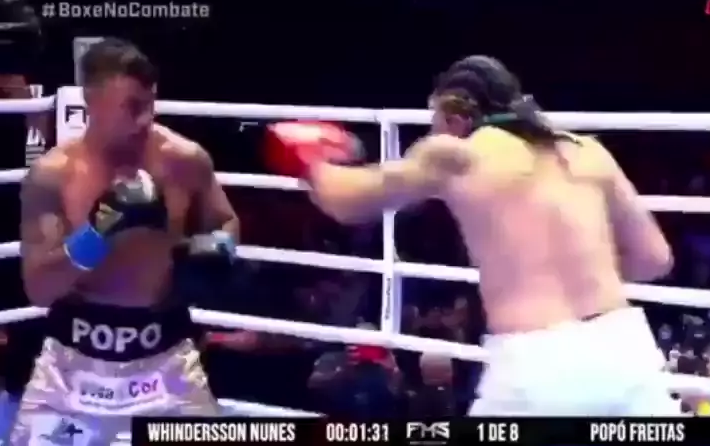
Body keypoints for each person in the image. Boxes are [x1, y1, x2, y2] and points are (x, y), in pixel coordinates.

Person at [263, 55, 675, 415]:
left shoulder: (457, 154)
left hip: (536, 364)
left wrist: (312, 163)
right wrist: (576, 271)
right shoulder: (588, 150)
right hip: (626, 351)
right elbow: (654, 259)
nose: (433, 132)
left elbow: (349, 203)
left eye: (435, 121)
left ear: (455, 117)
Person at [14, 37, 239, 445]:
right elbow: (40, 289)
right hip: (72, 371)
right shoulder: (53, 176)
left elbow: (225, 221)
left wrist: (217, 249)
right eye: (132, 107)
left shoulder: (184, 160)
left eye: (150, 104)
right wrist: (97, 234)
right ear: (92, 102)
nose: (144, 120)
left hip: (166, 366)